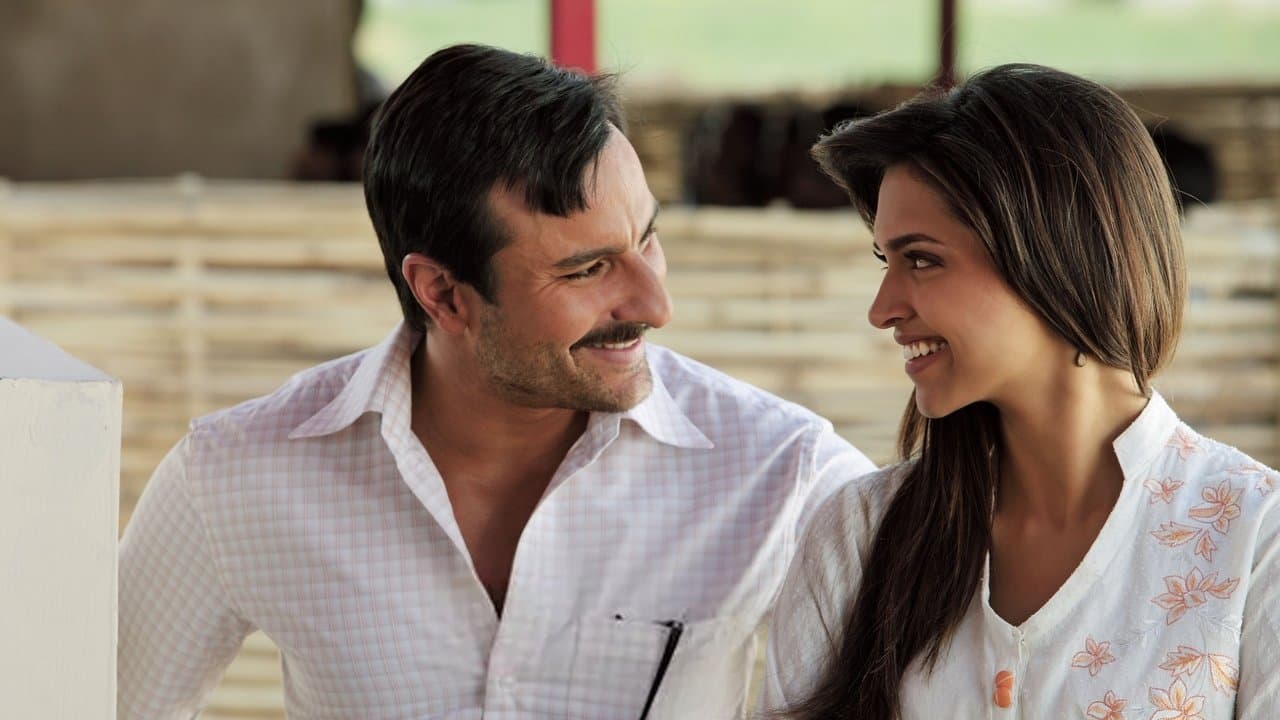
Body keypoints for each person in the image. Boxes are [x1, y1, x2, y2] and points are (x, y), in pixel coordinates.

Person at [117, 44, 876, 719]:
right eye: (588, 270)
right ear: (444, 295)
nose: (655, 305)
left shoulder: (786, 473)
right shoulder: (236, 474)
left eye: (648, 240)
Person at [760, 64, 1279, 719]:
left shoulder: (1257, 541)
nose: (882, 309)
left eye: (921, 259)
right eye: (884, 261)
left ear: (1060, 254)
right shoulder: (857, 537)